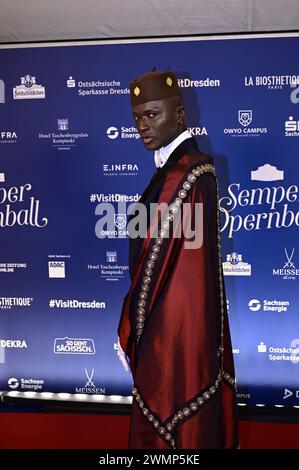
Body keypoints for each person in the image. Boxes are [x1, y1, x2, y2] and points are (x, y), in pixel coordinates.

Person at [117, 69, 239, 449]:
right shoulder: (180, 170)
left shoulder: (187, 172)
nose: (142, 125)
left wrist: (130, 327)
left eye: (152, 114)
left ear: (180, 114)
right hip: (174, 331)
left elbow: (160, 259)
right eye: (138, 117)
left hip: (171, 336)